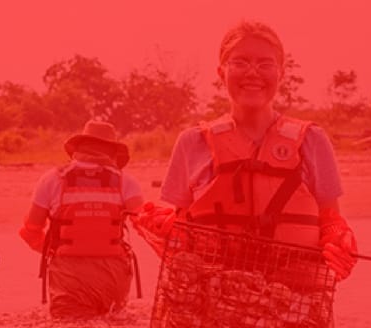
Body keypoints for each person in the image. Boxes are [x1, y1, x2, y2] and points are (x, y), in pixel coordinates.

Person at [136, 21, 358, 281]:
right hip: (211, 301)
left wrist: (337, 237)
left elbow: (330, 217)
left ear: (281, 73)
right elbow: (181, 232)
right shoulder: (191, 142)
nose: (253, 73)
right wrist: (161, 229)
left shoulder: (313, 140)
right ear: (221, 72)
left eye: (265, 64)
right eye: (240, 62)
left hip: (296, 302)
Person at [19, 120, 144, 318]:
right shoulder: (126, 181)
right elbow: (145, 223)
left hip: (69, 275)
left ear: (79, 147)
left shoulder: (51, 179)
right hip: (112, 275)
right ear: (111, 151)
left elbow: (30, 230)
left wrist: (56, 250)